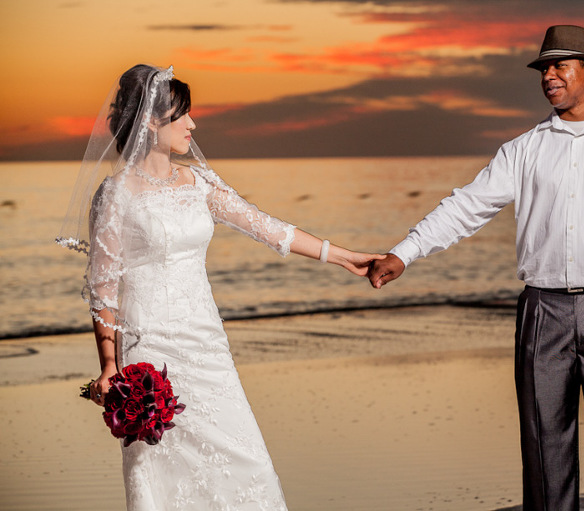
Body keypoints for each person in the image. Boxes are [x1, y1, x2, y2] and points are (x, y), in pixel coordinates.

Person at [368, 25, 584, 511]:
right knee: (544, 448)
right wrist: (404, 252)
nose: (548, 76)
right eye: (544, 67)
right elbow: (466, 207)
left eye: (559, 65)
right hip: (543, 314)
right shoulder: (523, 149)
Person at [56, 64, 382, 510]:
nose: (193, 124)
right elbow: (104, 291)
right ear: (151, 121)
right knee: (163, 470)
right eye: (182, 115)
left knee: (248, 462)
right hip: (150, 353)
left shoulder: (198, 182)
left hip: (208, 347)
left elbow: (268, 228)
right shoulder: (115, 196)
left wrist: (343, 256)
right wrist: (110, 367)